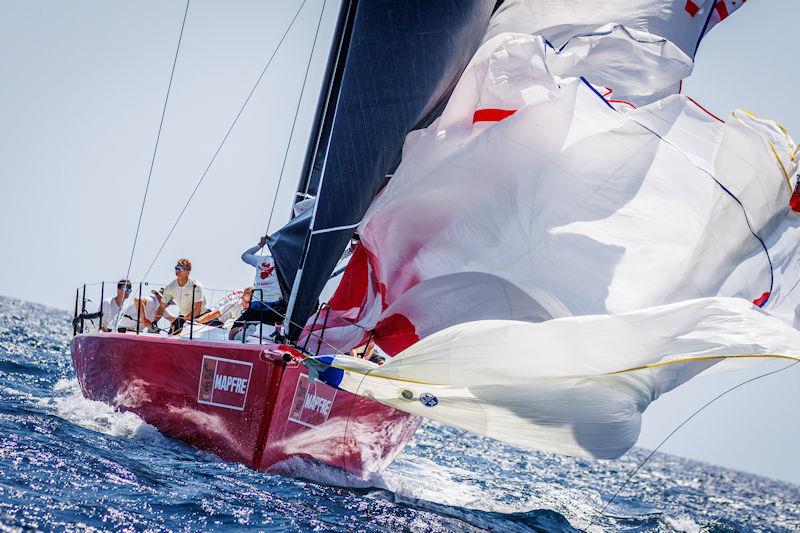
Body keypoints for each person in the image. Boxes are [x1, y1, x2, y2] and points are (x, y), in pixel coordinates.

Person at [238, 235, 286, 326]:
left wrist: (261, 244)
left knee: (236, 327)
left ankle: (241, 330)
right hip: (275, 305)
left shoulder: (261, 260)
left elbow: (245, 256)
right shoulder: (286, 262)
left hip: (257, 304)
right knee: (267, 328)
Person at [154, 258, 208, 335]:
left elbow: (197, 309)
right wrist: (155, 321)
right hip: (184, 317)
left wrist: (186, 320)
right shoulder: (170, 287)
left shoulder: (196, 286)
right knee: (171, 336)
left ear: (187, 272)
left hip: (202, 315)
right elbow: (162, 307)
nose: (177, 270)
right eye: (176, 268)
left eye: (180, 269)